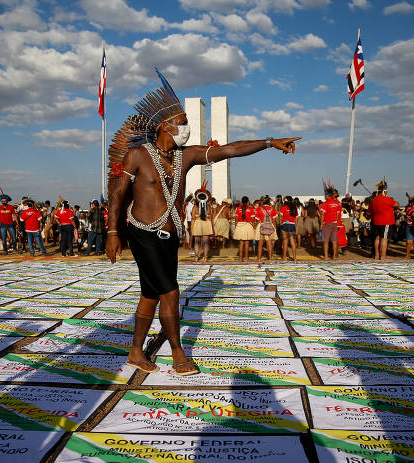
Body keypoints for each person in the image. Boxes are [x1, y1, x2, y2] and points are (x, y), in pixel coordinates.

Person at [105, 70, 298, 376]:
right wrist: (112, 232)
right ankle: (179, 353)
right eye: (182, 124)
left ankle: (135, 352)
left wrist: (270, 142)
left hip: (170, 236)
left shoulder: (187, 155)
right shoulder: (138, 156)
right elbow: (116, 196)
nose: (187, 129)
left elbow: (229, 149)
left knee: (151, 294)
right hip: (142, 232)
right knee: (170, 292)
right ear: (164, 126)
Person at [368, 181, 398, 260]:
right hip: (386, 221)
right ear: (384, 191)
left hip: (377, 221)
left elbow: (369, 211)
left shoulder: (374, 200)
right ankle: (383, 256)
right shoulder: (387, 199)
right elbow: (396, 204)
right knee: (384, 238)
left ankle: (377, 255)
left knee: (378, 238)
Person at [191, 187, 213, 262]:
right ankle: (206, 257)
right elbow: (211, 217)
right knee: (206, 242)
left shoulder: (195, 207)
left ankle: (196, 257)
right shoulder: (209, 207)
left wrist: (191, 228)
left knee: (197, 242)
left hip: (197, 223)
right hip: (206, 223)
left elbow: (193, 218)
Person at [319, 189, 341, 260]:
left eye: (325, 195)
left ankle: (326, 256)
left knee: (326, 241)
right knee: (334, 240)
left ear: (328, 195)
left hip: (327, 223)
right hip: (334, 223)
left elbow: (322, 214)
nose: (324, 196)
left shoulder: (326, 203)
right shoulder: (337, 203)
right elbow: (338, 214)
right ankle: (334, 256)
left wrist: (321, 224)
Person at [256, 197, 278, 263]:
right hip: (270, 226)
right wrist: (275, 228)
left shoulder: (259, 209)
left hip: (261, 226)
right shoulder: (272, 209)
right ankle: (270, 258)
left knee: (260, 243)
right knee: (269, 243)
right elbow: (274, 220)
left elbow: (257, 219)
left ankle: (259, 258)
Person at [234, 196, 255, 263]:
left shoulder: (238, 208)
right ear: (248, 201)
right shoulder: (251, 209)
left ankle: (240, 259)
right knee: (247, 243)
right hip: (248, 225)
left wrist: (236, 227)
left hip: (240, 225)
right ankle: (246, 258)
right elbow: (253, 220)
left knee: (241, 243)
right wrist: (254, 228)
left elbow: (236, 219)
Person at [279, 195, 297, 262]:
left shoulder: (284, 207)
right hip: (292, 225)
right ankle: (295, 258)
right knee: (292, 242)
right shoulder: (294, 207)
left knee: (285, 241)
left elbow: (280, 215)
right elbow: (296, 218)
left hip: (285, 225)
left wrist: (281, 222)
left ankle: (284, 257)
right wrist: (295, 225)